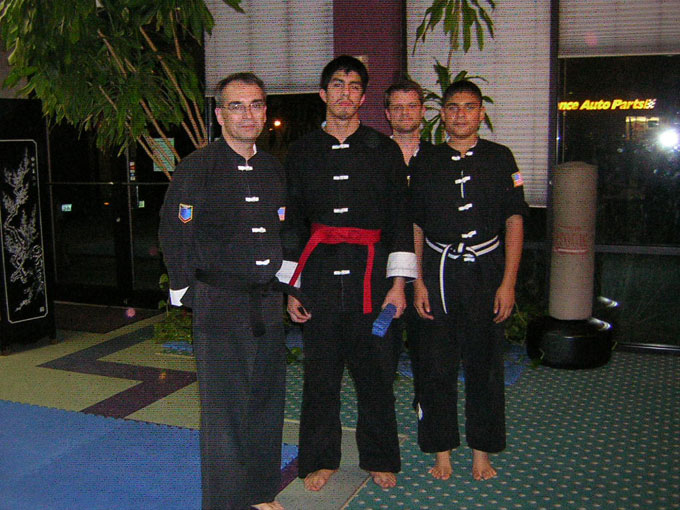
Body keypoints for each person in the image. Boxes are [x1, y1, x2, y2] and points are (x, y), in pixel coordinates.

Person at [280, 56, 417, 492]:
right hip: (319, 277)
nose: (345, 93)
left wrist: (398, 286)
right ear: (324, 93)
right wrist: (292, 287)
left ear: (363, 97)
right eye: (337, 85)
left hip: (373, 280)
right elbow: (291, 224)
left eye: (354, 86)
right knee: (320, 379)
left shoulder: (384, 151)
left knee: (376, 376)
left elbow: (400, 221)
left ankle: (380, 457)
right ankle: (321, 458)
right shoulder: (301, 152)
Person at [159, 72, 288, 510]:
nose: (248, 114)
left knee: (266, 403)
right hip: (218, 303)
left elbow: (284, 230)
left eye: (256, 104)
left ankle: (261, 493)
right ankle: (226, 503)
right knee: (224, 413)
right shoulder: (198, 167)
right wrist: (185, 291)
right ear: (220, 114)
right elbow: (175, 230)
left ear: (265, 112)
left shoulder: (273, 169)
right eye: (237, 106)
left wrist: (290, 286)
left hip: (267, 302)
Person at [409, 80, 528, 482]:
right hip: (438, 272)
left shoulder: (500, 158)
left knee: (486, 365)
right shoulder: (426, 161)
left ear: (481, 113)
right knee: (434, 365)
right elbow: (416, 224)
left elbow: (514, 221)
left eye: (469, 107)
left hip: (486, 272)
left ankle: (482, 451)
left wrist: (508, 283)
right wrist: (418, 281)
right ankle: (441, 449)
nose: (461, 114)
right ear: (442, 114)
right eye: (453, 107)